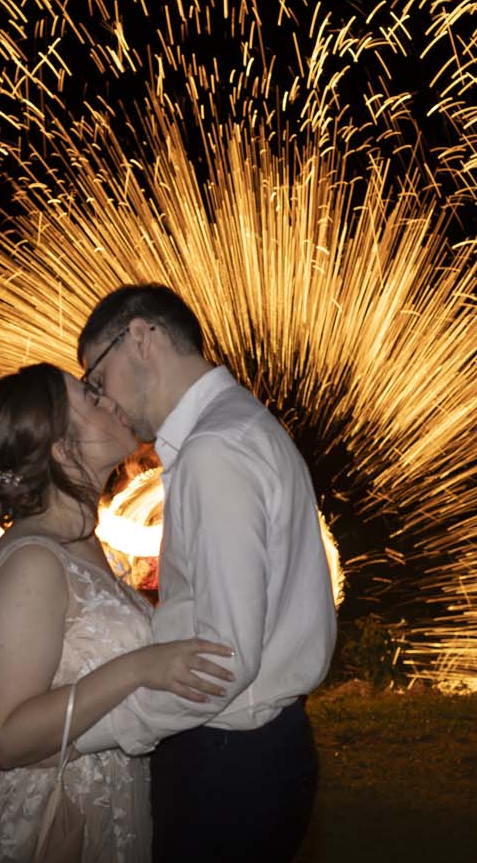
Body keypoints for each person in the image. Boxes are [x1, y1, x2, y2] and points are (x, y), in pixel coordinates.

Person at [0, 363, 234, 862]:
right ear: (62, 450)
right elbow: (3, 736)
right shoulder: (33, 562)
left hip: (109, 800)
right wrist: (139, 667)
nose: (110, 401)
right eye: (91, 400)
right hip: (49, 818)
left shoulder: (84, 541)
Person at [73, 284, 337, 861]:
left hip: (227, 763)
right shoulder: (237, 426)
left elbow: (220, 664)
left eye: (97, 377)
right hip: (252, 755)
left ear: (142, 337)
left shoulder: (214, 450)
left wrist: (89, 731)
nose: (102, 400)